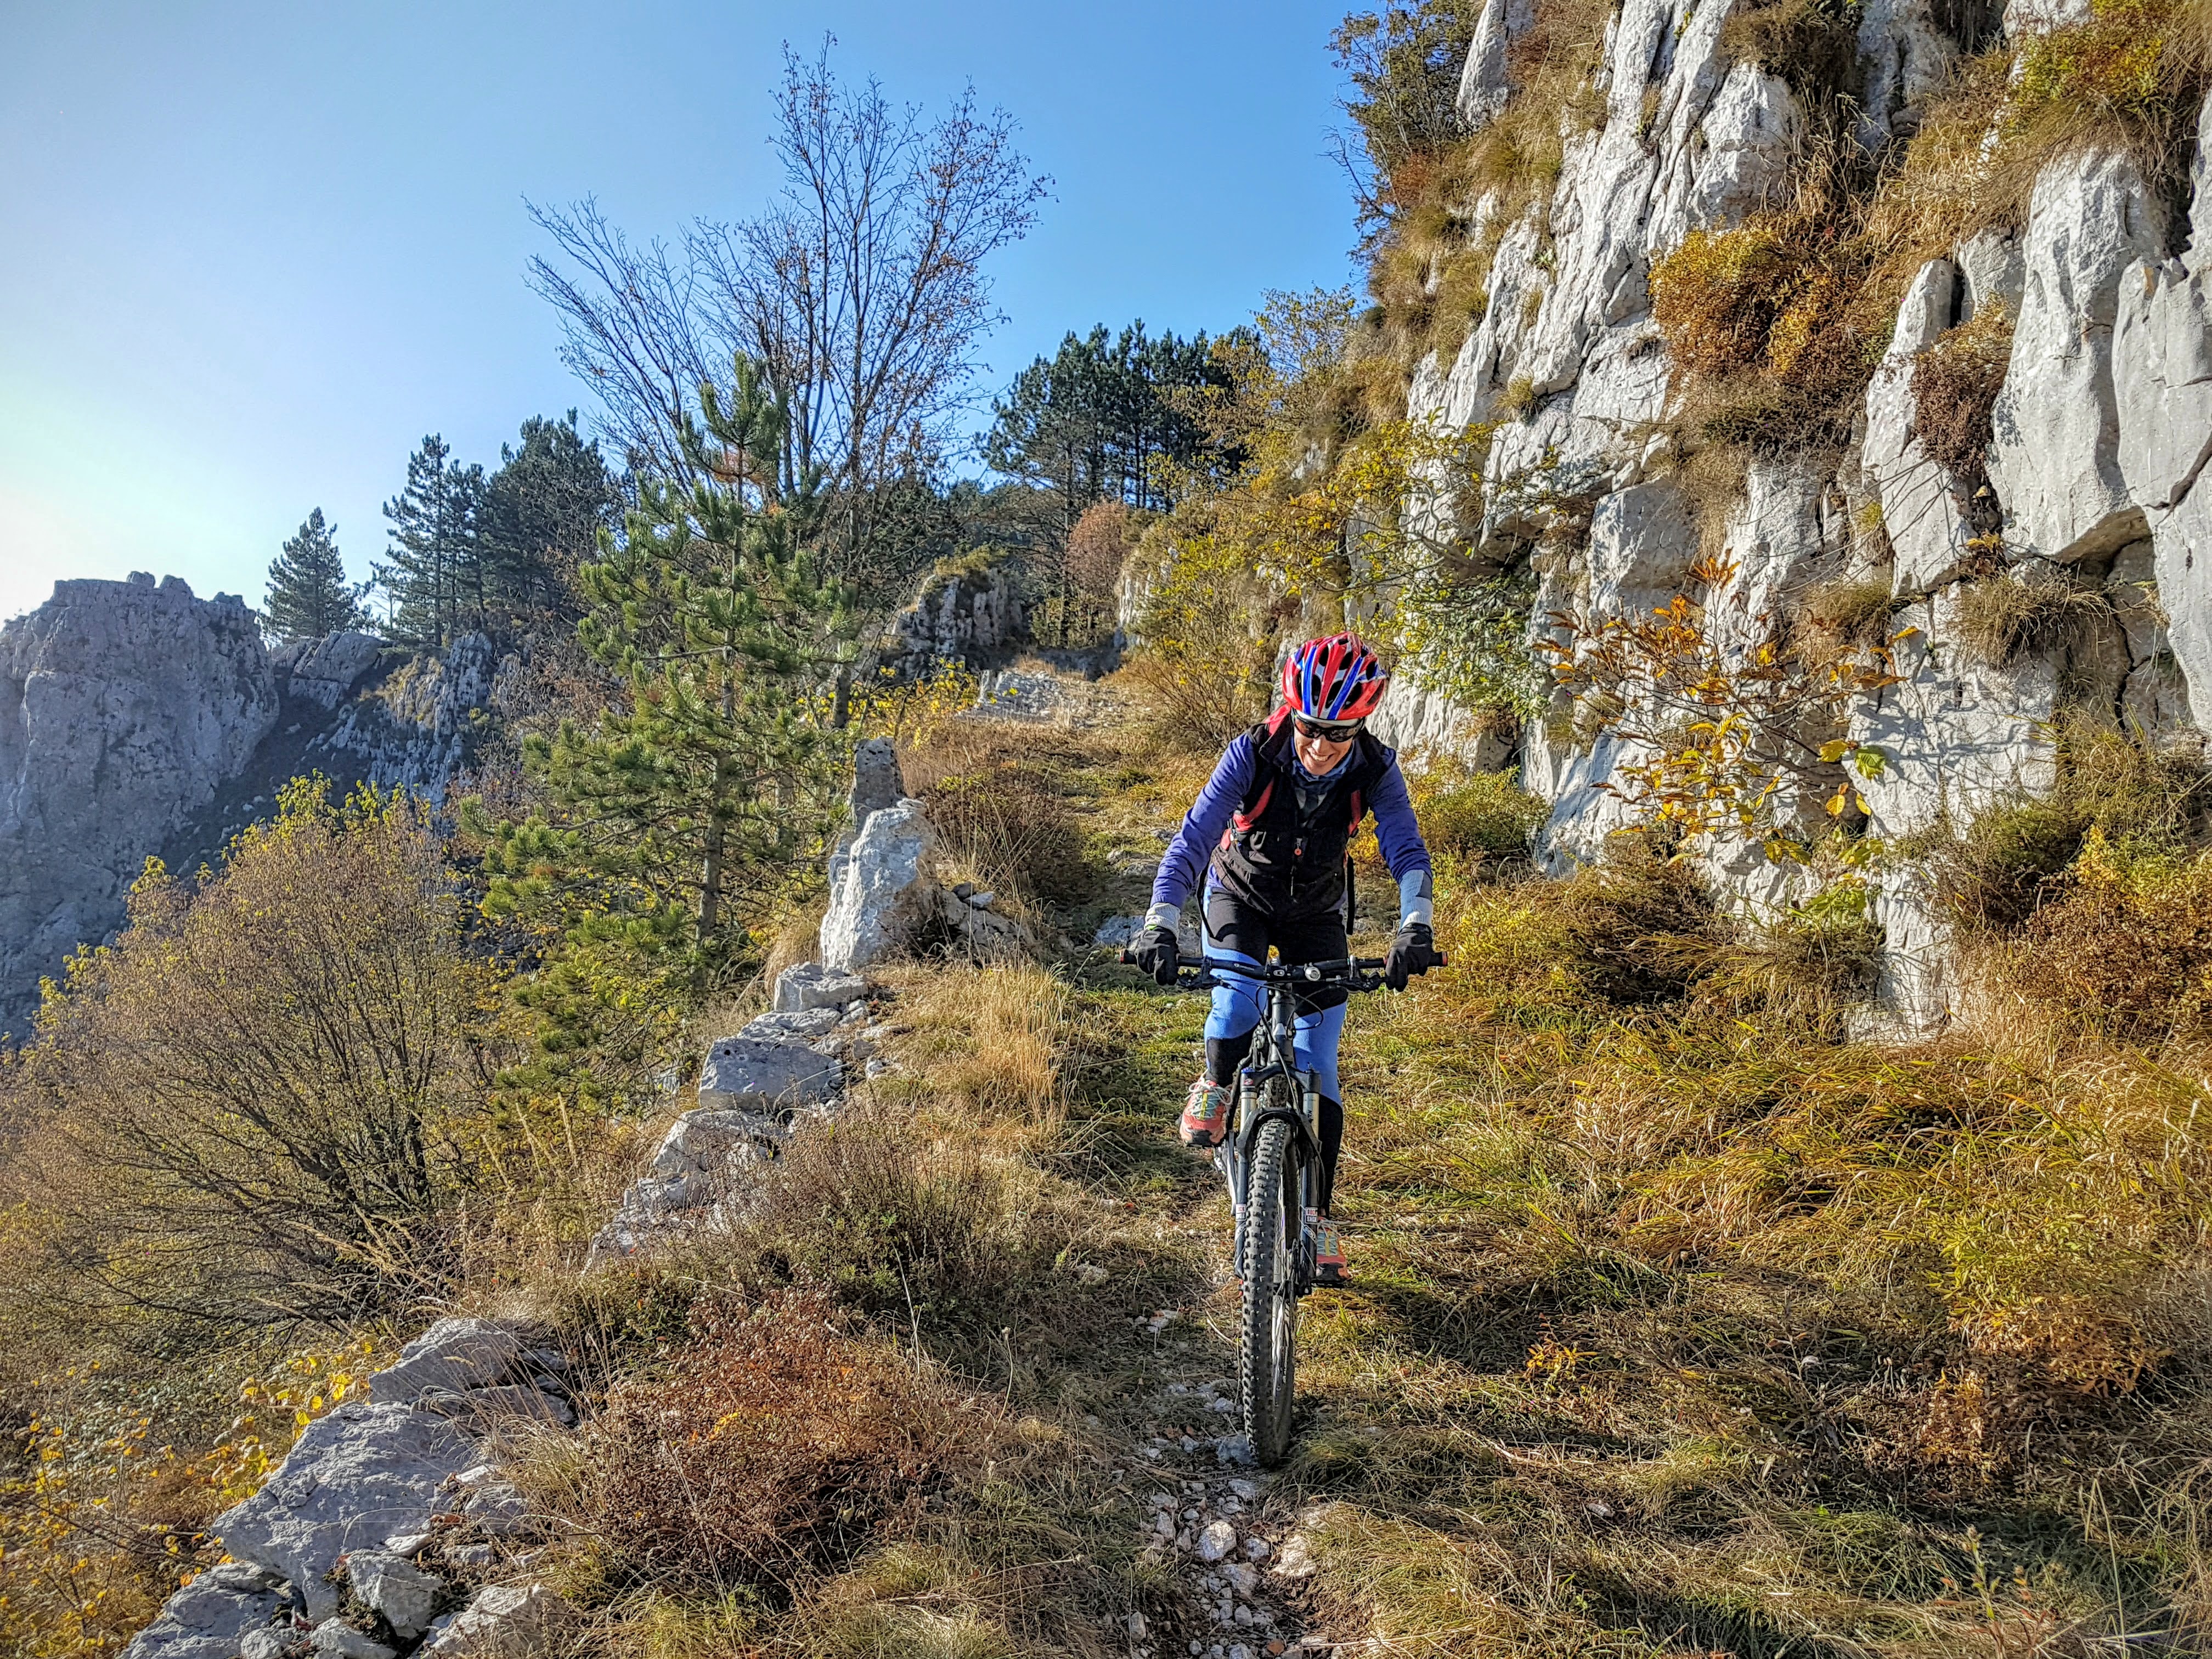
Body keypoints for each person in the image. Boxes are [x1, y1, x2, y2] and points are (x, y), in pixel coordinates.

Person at [1133, 632, 1440, 1285]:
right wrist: (1160, 922)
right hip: (1238, 895)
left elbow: (1407, 849)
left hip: (1315, 912)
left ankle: (1317, 1214)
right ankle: (1217, 1082)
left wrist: (1415, 926)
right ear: (1291, 713)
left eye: (1339, 733)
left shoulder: (1376, 769)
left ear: (1361, 726)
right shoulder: (1252, 753)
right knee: (1237, 1001)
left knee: (1319, 1060)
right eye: (1309, 728)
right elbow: (1193, 841)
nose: (1321, 746)